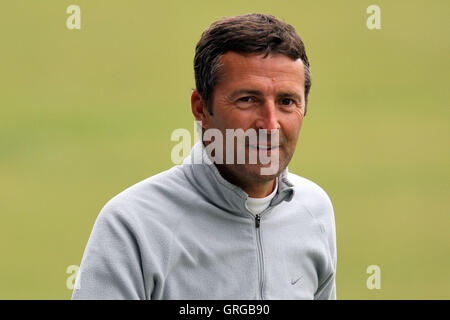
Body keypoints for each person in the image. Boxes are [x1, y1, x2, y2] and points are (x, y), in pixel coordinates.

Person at [72, 13, 337, 300]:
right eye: (247, 99)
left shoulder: (314, 211)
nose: (270, 124)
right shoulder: (132, 224)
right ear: (201, 109)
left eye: (287, 102)